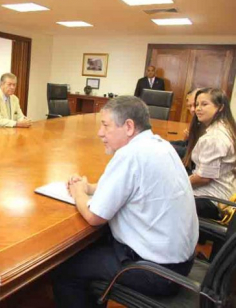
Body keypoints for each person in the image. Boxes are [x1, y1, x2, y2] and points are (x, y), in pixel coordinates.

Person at [52, 96, 198, 308]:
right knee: (92, 247)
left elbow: (94, 217)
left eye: (105, 125)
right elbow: (129, 187)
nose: (100, 133)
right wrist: (89, 187)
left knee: (64, 272)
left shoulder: (130, 155)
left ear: (129, 126)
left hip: (155, 271)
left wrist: (78, 194)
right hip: (179, 263)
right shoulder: (160, 146)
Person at [182, 88, 236, 220]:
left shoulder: (214, 137)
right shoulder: (224, 127)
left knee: (164, 199)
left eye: (204, 104)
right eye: (197, 104)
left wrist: (179, 182)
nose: (198, 109)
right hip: (224, 192)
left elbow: (203, 178)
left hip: (213, 200)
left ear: (221, 107)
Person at [170, 88, 198, 159]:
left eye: (195, 105)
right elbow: (186, 143)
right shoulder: (197, 120)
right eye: (189, 105)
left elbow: (193, 153)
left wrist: (166, 147)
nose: (192, 109)